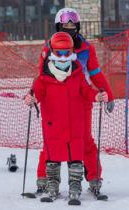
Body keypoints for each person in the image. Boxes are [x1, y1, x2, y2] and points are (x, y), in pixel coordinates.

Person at [31, 7, 114, 196]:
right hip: (55, 101)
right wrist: (34, 94)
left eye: (73, 24)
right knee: (51, 142)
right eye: (65, 25)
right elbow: (42, 77)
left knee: (85, 141)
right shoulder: (49, 47)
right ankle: (44, 178)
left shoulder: (86, 48)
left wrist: (107, 92)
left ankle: (94, 178)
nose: (70, 28)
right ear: (58, 26)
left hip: (81, 99)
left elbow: (95, 73)